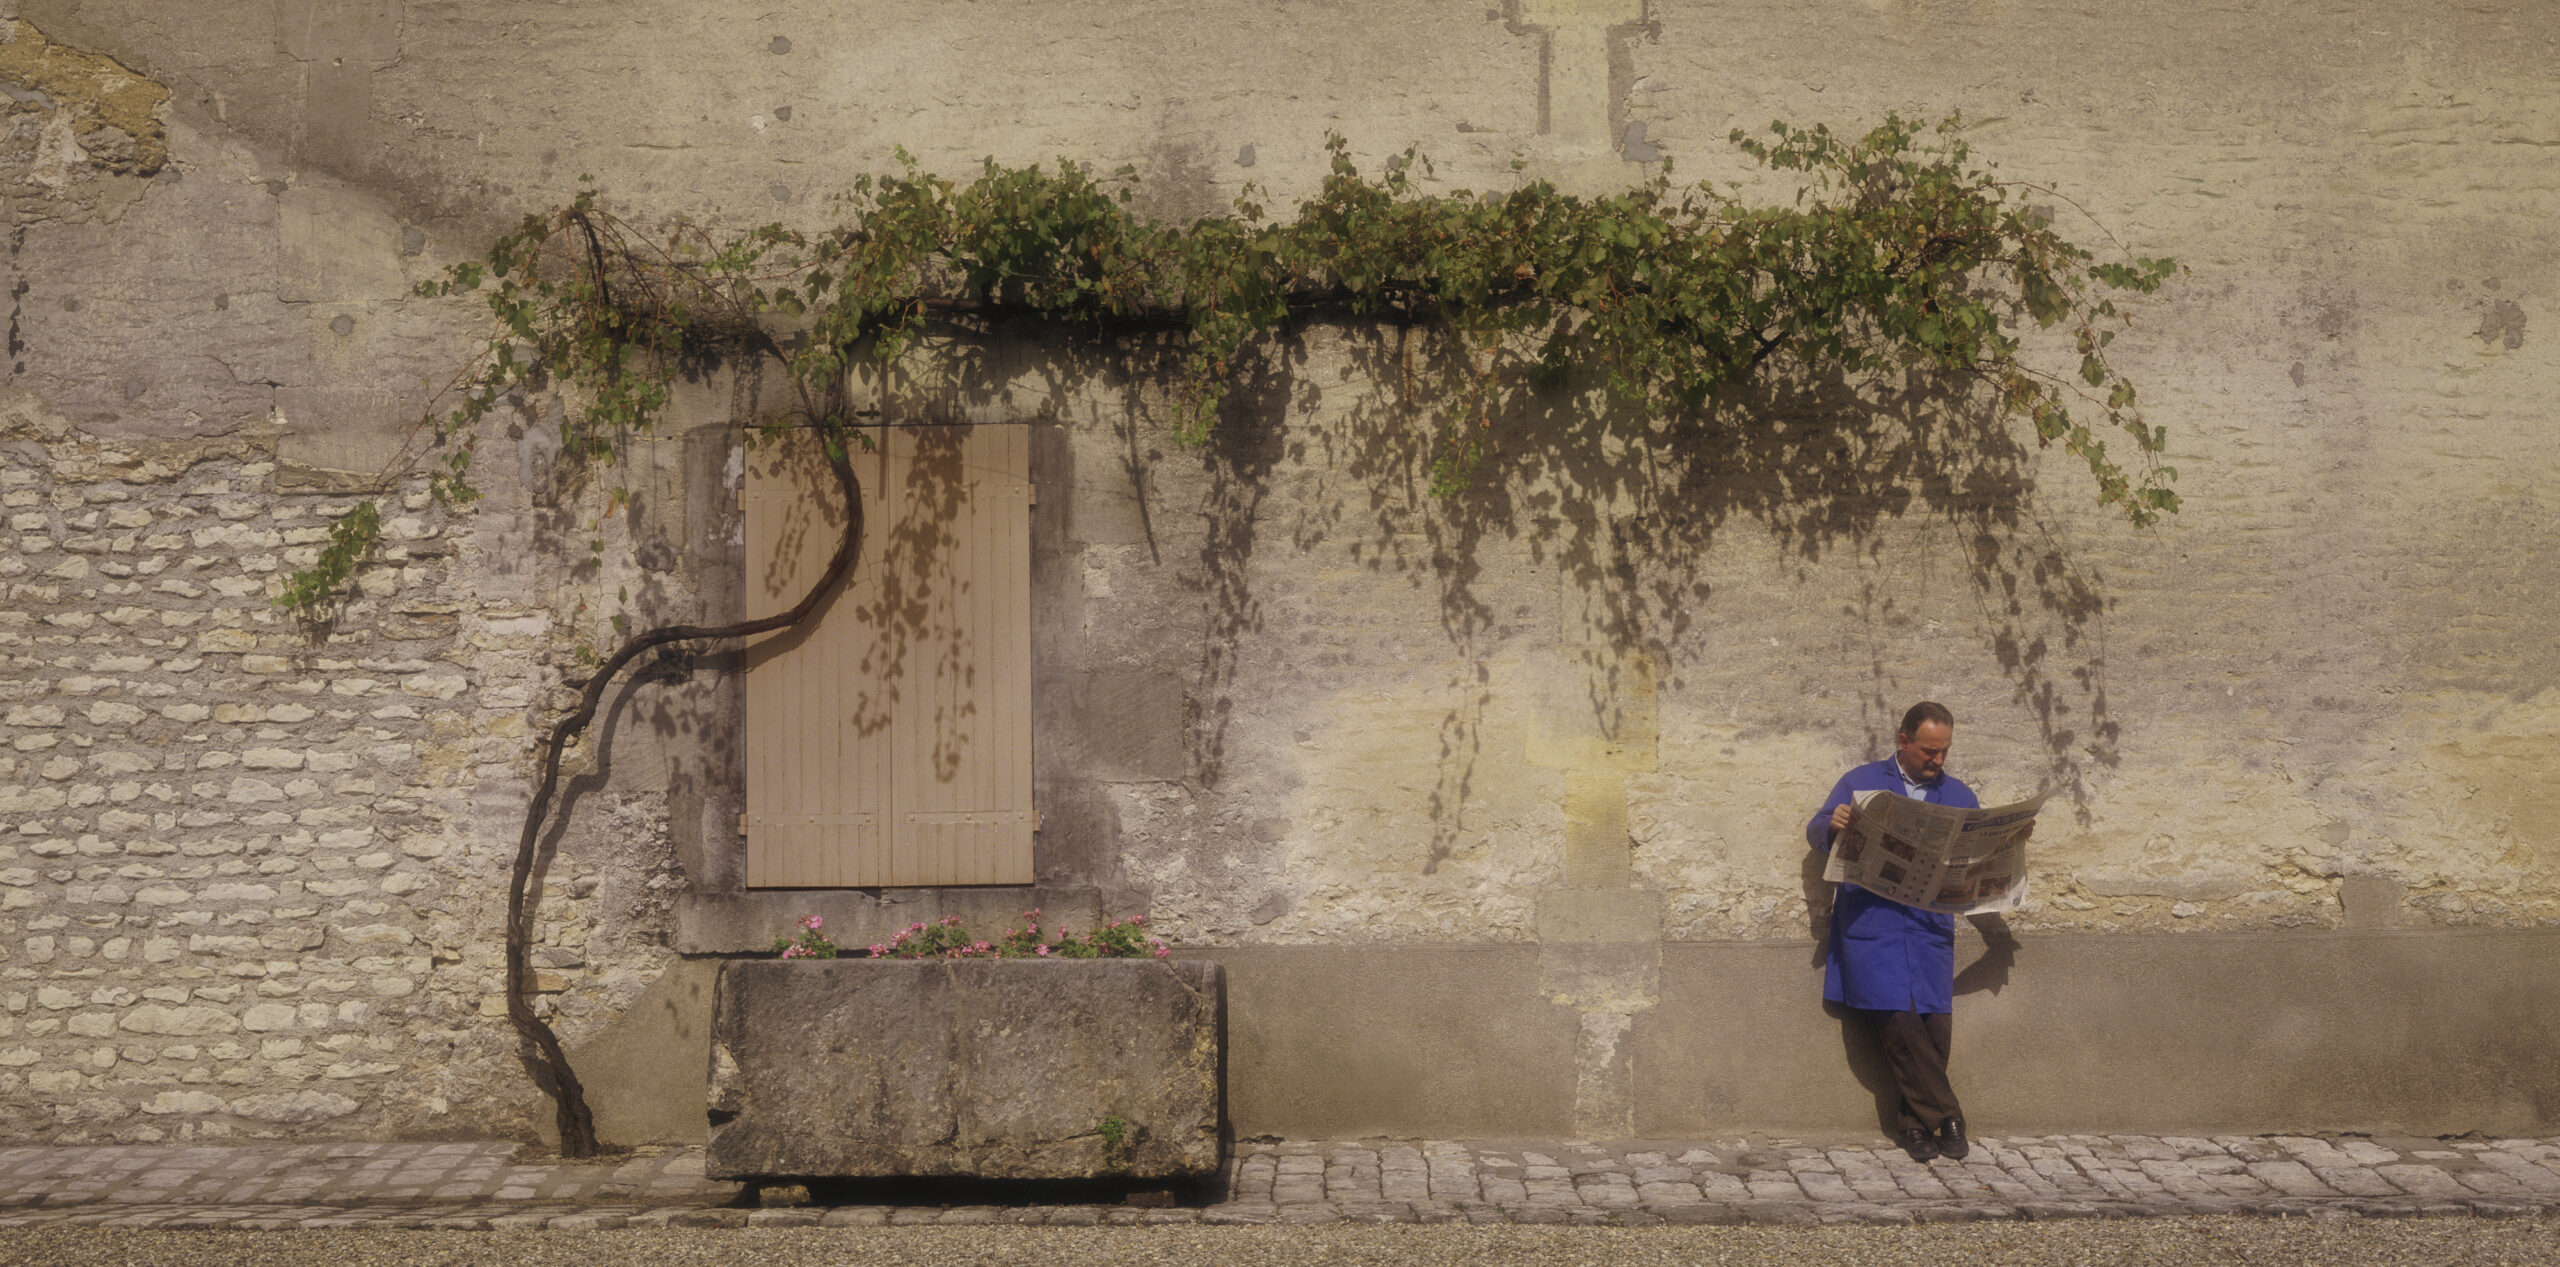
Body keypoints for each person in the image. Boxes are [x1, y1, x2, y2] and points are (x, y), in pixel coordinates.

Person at [1805, 701, 2028, 1164]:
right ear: (1903, 742)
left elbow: (1976, 861)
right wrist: (1833, 823)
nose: (1938, 761)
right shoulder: (1861, 781)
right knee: (1898, 1021)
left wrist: (2008, 844)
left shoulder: (1960, 794)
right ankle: (1949, 1116)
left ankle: (1913, 1127)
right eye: (1929, 751)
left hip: (1928, 928)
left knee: (1934, 1026)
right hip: (1872, 923)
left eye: (1944, 751)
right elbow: (1817, 828)